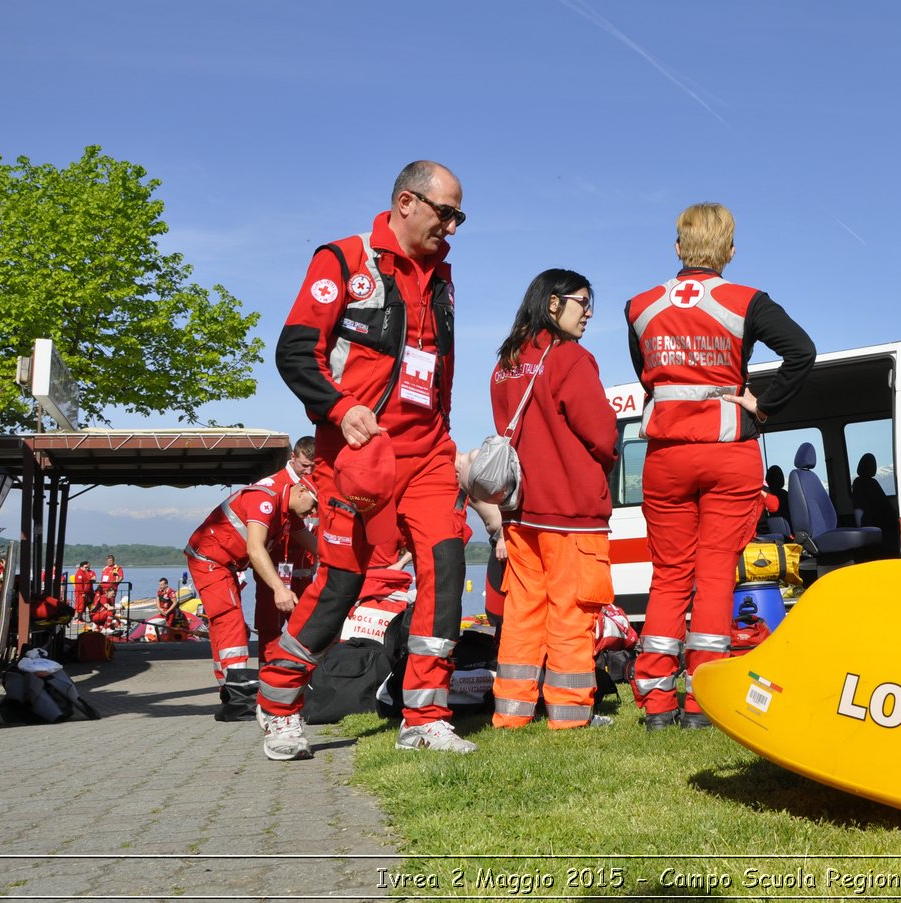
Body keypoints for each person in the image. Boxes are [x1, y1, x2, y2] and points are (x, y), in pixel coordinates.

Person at [259, 160, 472, 760]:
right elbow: (297, 353)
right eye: (445, 213)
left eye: (459, 216)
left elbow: (438, 368)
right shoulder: (344, 260)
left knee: (445, 567)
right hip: (356, 457)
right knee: (340, 584)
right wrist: (339, 408)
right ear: (407, 202)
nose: (452, 227)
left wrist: (447, 434)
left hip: (429, 452)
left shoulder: (444, 279)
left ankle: (425, 715)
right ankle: (277, 701)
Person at [626, 203, 815, 730]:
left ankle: (656, 704)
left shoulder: (639, 306)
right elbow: (802, 352)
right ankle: (702, 700)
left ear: (678, 247)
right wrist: (765, 404)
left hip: (665, 453)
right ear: (730, 250)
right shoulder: (747, 301)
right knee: (714, 575)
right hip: (728, 449)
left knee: (668, 577)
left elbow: (646, 374)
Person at [483, 268, 617, 731]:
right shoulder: (570, 358)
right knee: (571, 609)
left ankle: (512, 712)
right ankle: (569, 712)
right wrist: (610, 459)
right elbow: (601, 432)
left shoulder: (505, 363)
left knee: (522, 610)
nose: (589, 312)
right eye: (583, 301)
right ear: (554, 303)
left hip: (520, 513)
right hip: (571, 512)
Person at [184, 472, 319, 720]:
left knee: (225, 625)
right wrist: (280, 588)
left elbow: (315, 545)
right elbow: (255, 549)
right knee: (230, 621)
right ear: (301, 491)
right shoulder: (264, 499)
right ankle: (239, 699)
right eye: (313, 504)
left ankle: (229, 690)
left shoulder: (288, 511)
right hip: (210, 560)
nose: (313, 513)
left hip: (227, 565)